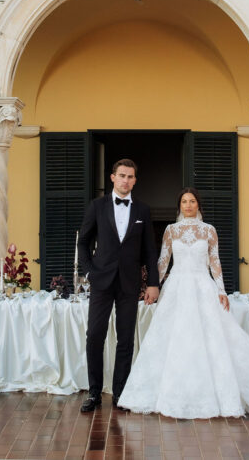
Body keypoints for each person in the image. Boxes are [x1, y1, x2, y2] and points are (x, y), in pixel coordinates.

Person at [117, 187, 249, 418]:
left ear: (198, 205)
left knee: (212, 338)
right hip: (176, 288)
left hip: (203, 286)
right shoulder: (171, 230)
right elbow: (163, 261)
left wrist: (221, 290)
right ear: (179, 206)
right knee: (174, 337)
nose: (188, 205)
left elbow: (215, 262)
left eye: (192, 201)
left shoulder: (209, 231)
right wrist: (152, 286)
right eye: (184, 201)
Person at [77, 159, 160, 413]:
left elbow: (149, 250)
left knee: (125, 339)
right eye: (122, 175)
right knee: (95, 337)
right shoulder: (97, 206)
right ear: (113, 177)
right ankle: (94, 392)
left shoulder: (143, 211)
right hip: (102, 282)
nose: (126, 180)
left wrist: (153, 284)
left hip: (129, 283)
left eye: (130, 176)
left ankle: (120, 393)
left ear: (135, 180)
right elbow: (83, 242)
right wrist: (90, 272)